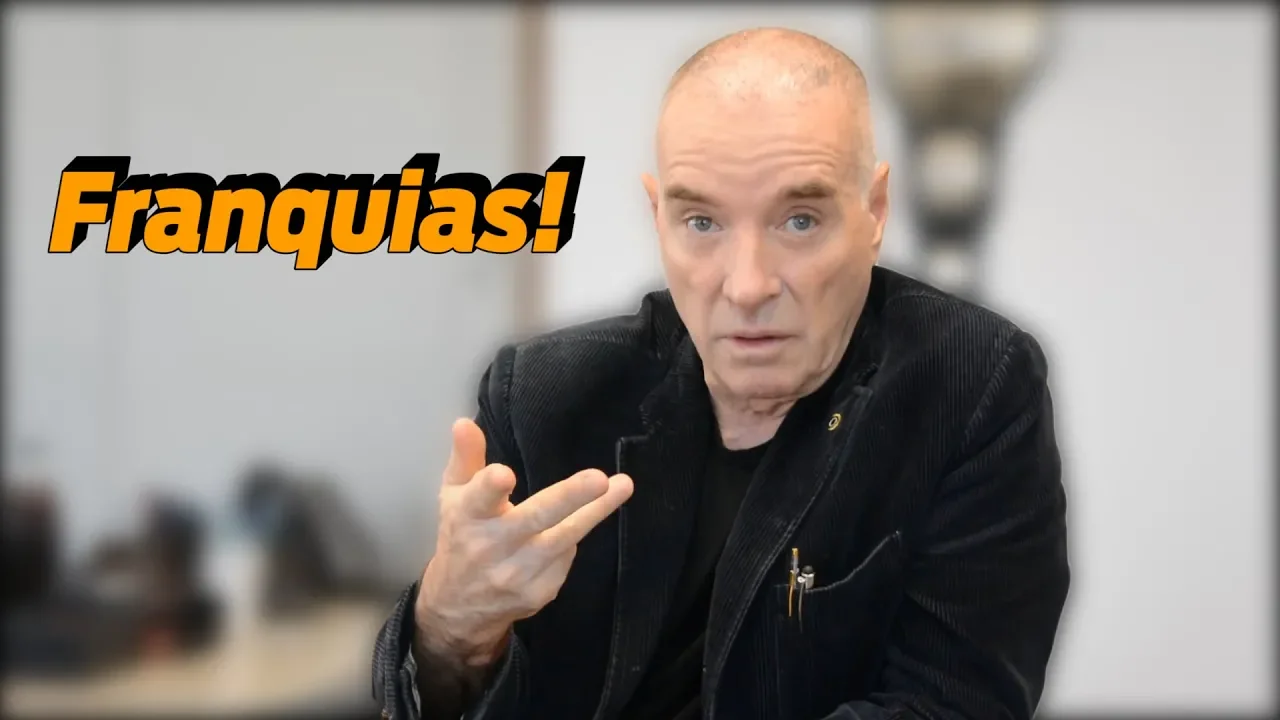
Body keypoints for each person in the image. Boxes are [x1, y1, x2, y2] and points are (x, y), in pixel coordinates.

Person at [372, 27, 1069, 720]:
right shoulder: (542, 396)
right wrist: (448, 631)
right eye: (702, 222)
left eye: (799, 220)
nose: (747, 285)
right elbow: (443, 693)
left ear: (874, 211)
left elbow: (954, 702)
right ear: (659, 219)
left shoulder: (970, 385)